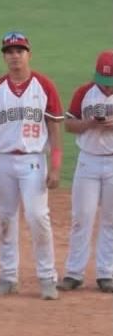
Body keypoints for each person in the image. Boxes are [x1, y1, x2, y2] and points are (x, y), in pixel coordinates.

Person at [0, 31, 63, 300]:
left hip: (33, 159)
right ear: (4, 57)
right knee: (5, 218)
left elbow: (54, 127)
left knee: (38, 217)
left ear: (29, 54)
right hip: (2, 160)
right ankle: (8, 276)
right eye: (10, 52)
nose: (15, 56)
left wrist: (55, 165)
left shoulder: (43, 86)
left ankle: (47, 277)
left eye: (19, 51)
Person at [57, 50, 113, 293]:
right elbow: (69, 124)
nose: (107, 86)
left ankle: (106, 273)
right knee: (82, 217)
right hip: (88, 161)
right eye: (103, 81)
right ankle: (74, 273)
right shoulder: (84, 92)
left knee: (111, 219)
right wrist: (89, 123)